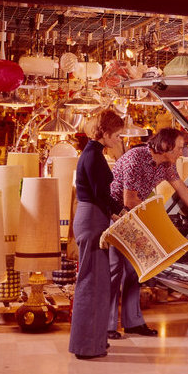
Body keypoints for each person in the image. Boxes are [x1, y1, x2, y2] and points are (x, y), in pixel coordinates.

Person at [107, 127, 188, 339]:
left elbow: (184, 191)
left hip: (136, 215)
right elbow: (129, 200)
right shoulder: (136, 158)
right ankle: (107, 326)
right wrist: (159, 225)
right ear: (165, 146)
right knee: (114, 270)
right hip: (115, 215)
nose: (181, 152)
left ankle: (133, 323)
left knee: (134, 271)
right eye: (179, 148)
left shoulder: (167, 165)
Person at [68, 110, 125, 360]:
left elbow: (102, 194)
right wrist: (117, 212)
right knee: (92, 283)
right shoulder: (92, 156)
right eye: (118, 135)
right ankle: (86, 346)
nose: (119, 140)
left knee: (98, 284)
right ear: (107, 133)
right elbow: (101, 194)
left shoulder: (94, 153)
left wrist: (116, 212)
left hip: (93, 217)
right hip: (91, 219)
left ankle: (95, 340)